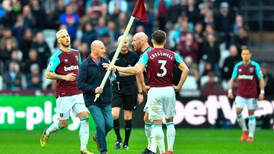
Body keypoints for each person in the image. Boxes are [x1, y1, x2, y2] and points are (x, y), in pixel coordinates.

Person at [114, 30, 189, 154]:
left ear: (152, 41)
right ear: (165, 41)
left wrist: (142, 85)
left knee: (157, 123)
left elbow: (137, 70)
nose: (132, 43)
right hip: (169, 90)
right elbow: (186, 69)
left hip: (155, 90)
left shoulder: (148, 55)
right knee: (169, 122)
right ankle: (169, 150)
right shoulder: (172, 54)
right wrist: (179, 86)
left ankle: (160, 151)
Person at [40, 29, 92, 154]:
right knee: (63, 123)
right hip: (64, 94)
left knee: (85, 119)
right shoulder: (57, 56)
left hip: (78, 92)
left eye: (67, 36)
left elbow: (80, 70)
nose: (67, 38)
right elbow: (47, 74)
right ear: (59, 40)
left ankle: (83, 149)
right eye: (63, 37)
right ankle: (47, 132)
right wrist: (64, 77)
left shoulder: (76, 53)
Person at [77, 40, 113, 154]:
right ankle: (103, 151)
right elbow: (80, 84)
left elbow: (111, 76)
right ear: (94, 49)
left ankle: (98, 137)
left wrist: (112, 70)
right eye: (102, 48)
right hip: (92, 100)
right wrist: (94, 90)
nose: (104, 50)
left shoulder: (106, 61)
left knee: (109, 125)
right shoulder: (85, 65)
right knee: (101, 125)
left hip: (106, 98)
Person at [109, 36, 141, 150]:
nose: (123, 44)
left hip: (130, 88)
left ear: (128, 43)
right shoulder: (113, 55)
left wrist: (140, 92)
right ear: (118, 43)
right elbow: (109, 72)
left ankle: (126, 143)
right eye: (121, 42)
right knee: (114, 114)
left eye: (125, 42)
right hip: (116, 88)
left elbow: (137, 73)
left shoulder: (134, 56)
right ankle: (118, 138)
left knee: (128, 116)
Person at [228, 47, 265, 142]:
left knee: (251, 113)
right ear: (241, 55)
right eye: (243, 54)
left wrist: (262, 92)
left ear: (250, 55)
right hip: (240, 93)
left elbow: (261, 79)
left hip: (251, 94)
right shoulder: (238, 66)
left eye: (247, 54)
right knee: (238, 111)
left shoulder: (255, 66)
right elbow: (232, 79)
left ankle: (251, 135)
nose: (245, 56)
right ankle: (245, 130)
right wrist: (230, 91)